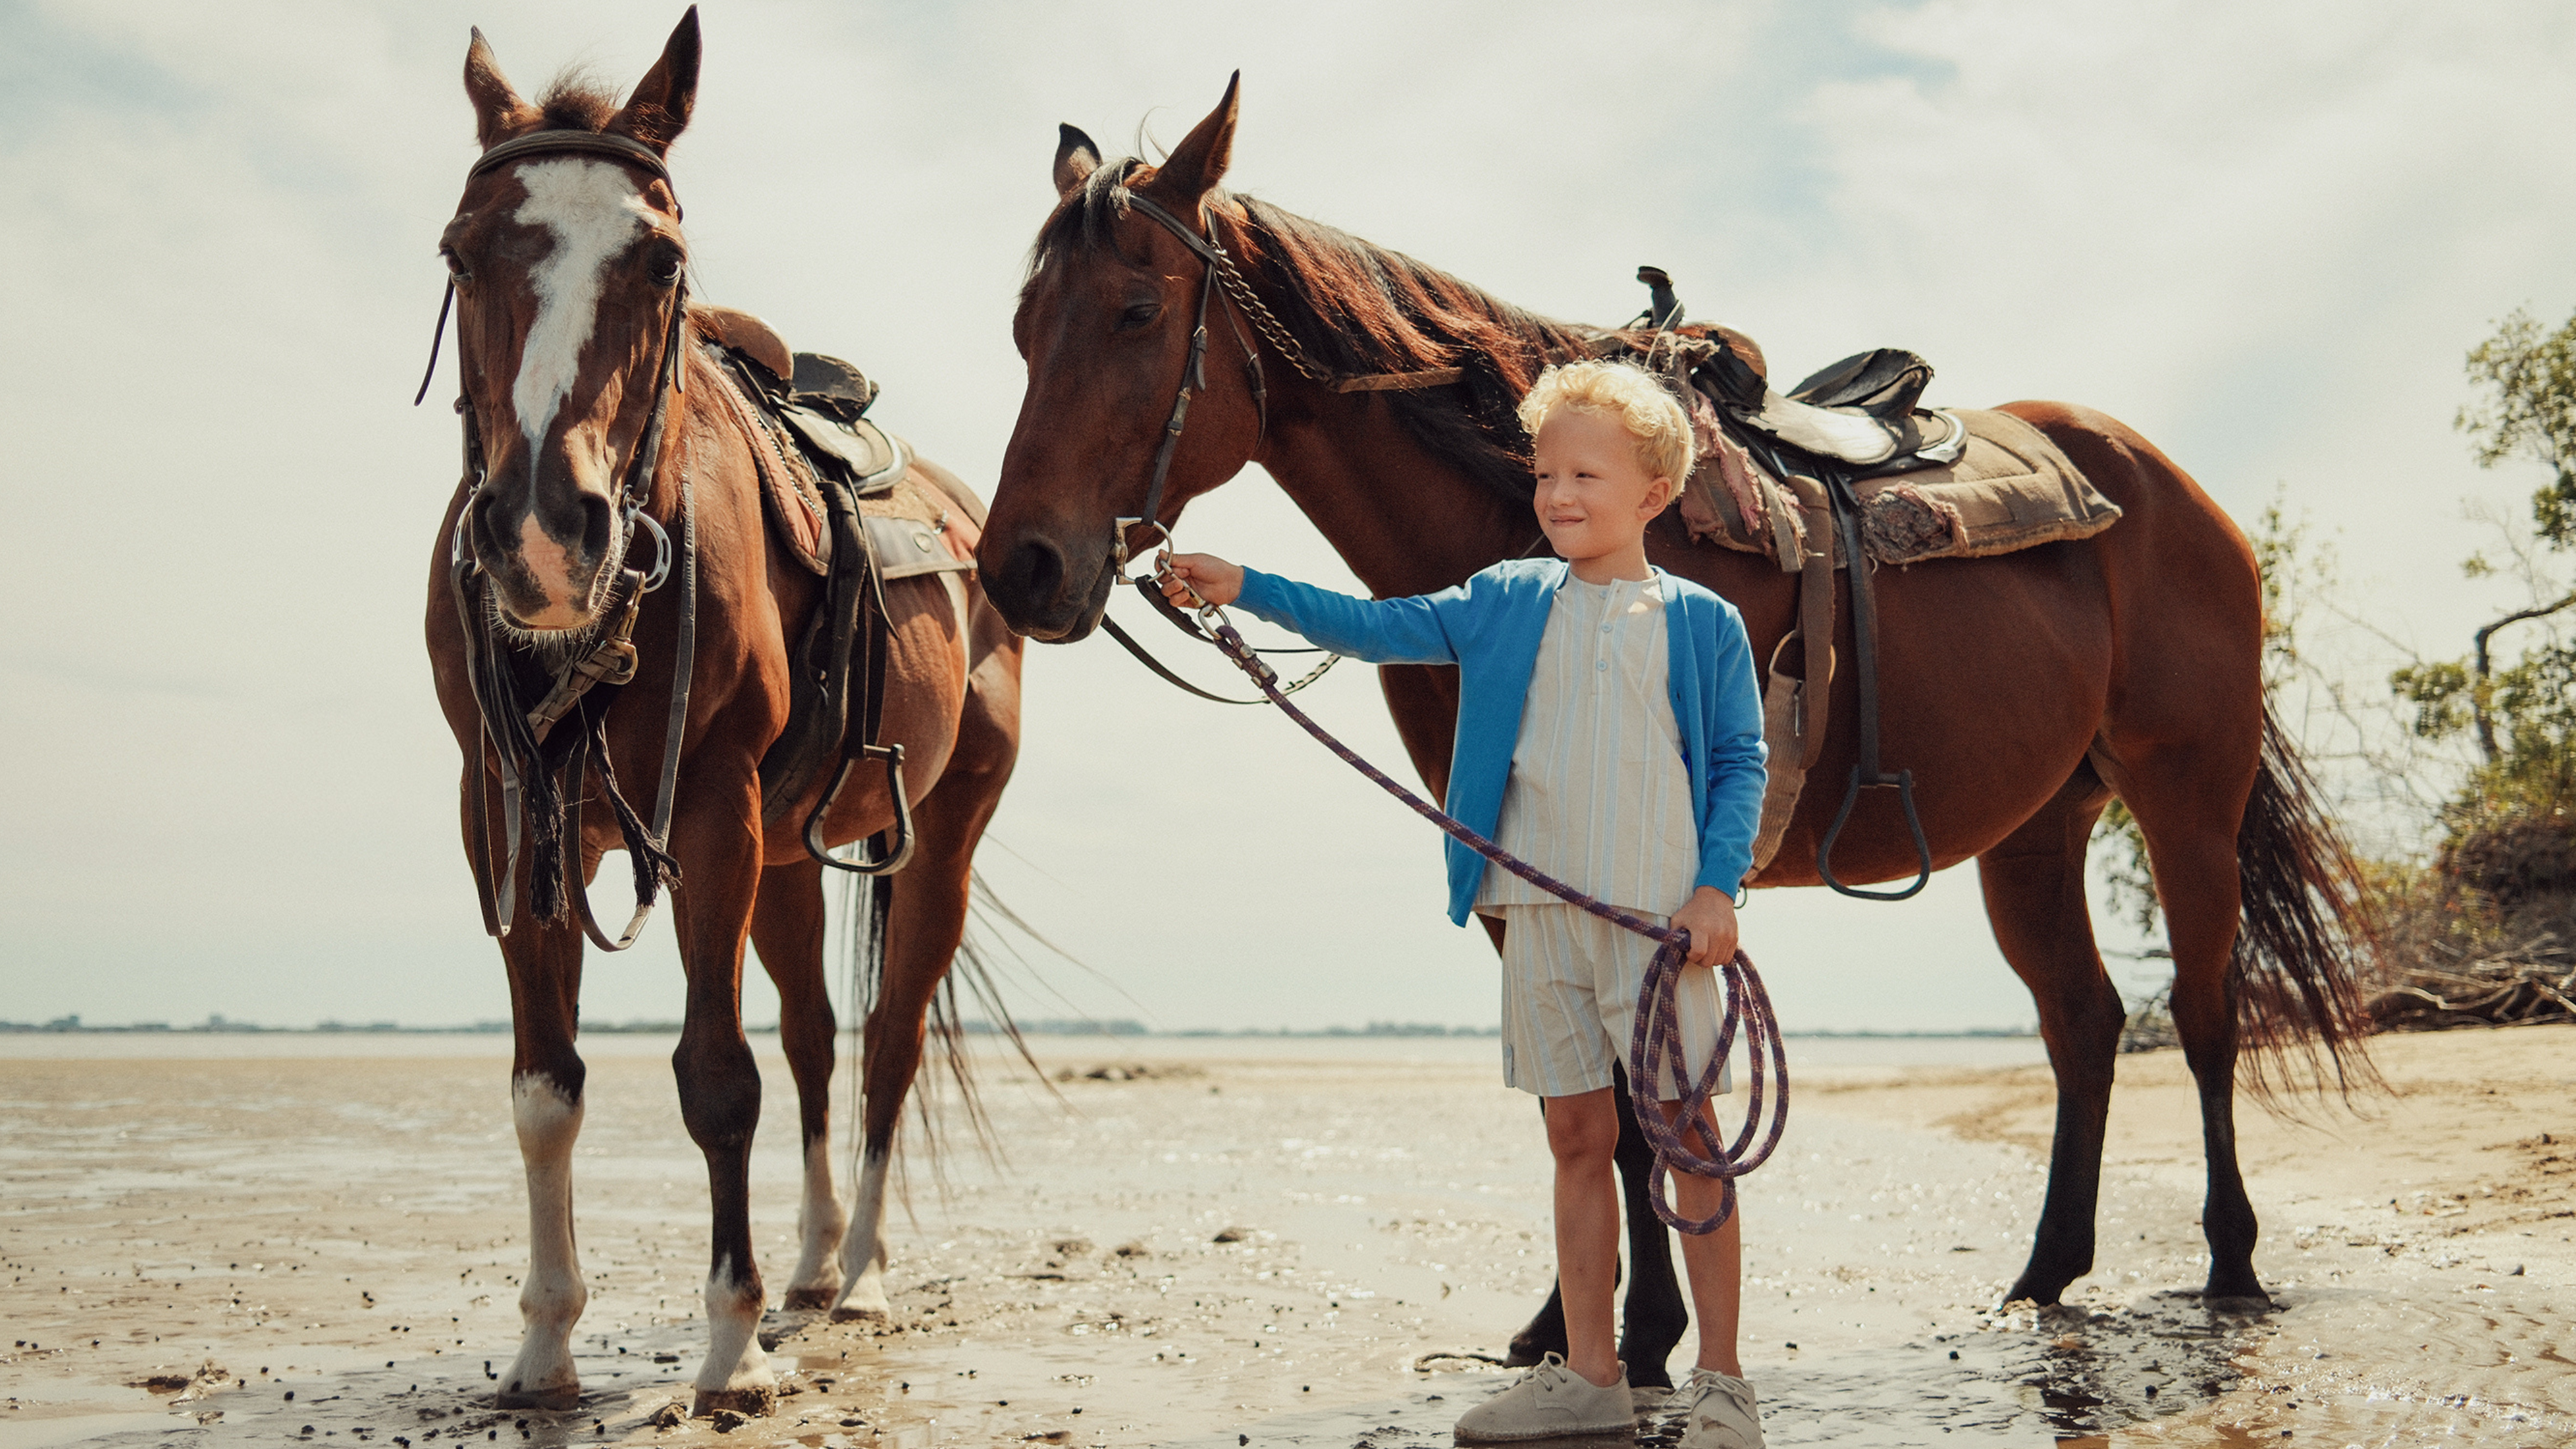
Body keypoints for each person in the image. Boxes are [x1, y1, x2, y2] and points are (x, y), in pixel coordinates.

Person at [1158, 359, 1770, 1447]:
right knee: (1578, 1138)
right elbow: (1370, 623)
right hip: (1536, 923)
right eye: (1546, 473)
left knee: (1688, 1141)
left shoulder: (1700, 622)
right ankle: (1591, 1375)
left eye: (1588, 473)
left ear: (1654, 493)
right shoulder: (1502, 599)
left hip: (1662, 932)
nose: (1560, 494)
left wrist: (1719, 887)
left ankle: (1722, 1380)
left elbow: (1738, 760)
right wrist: (1242, 582)